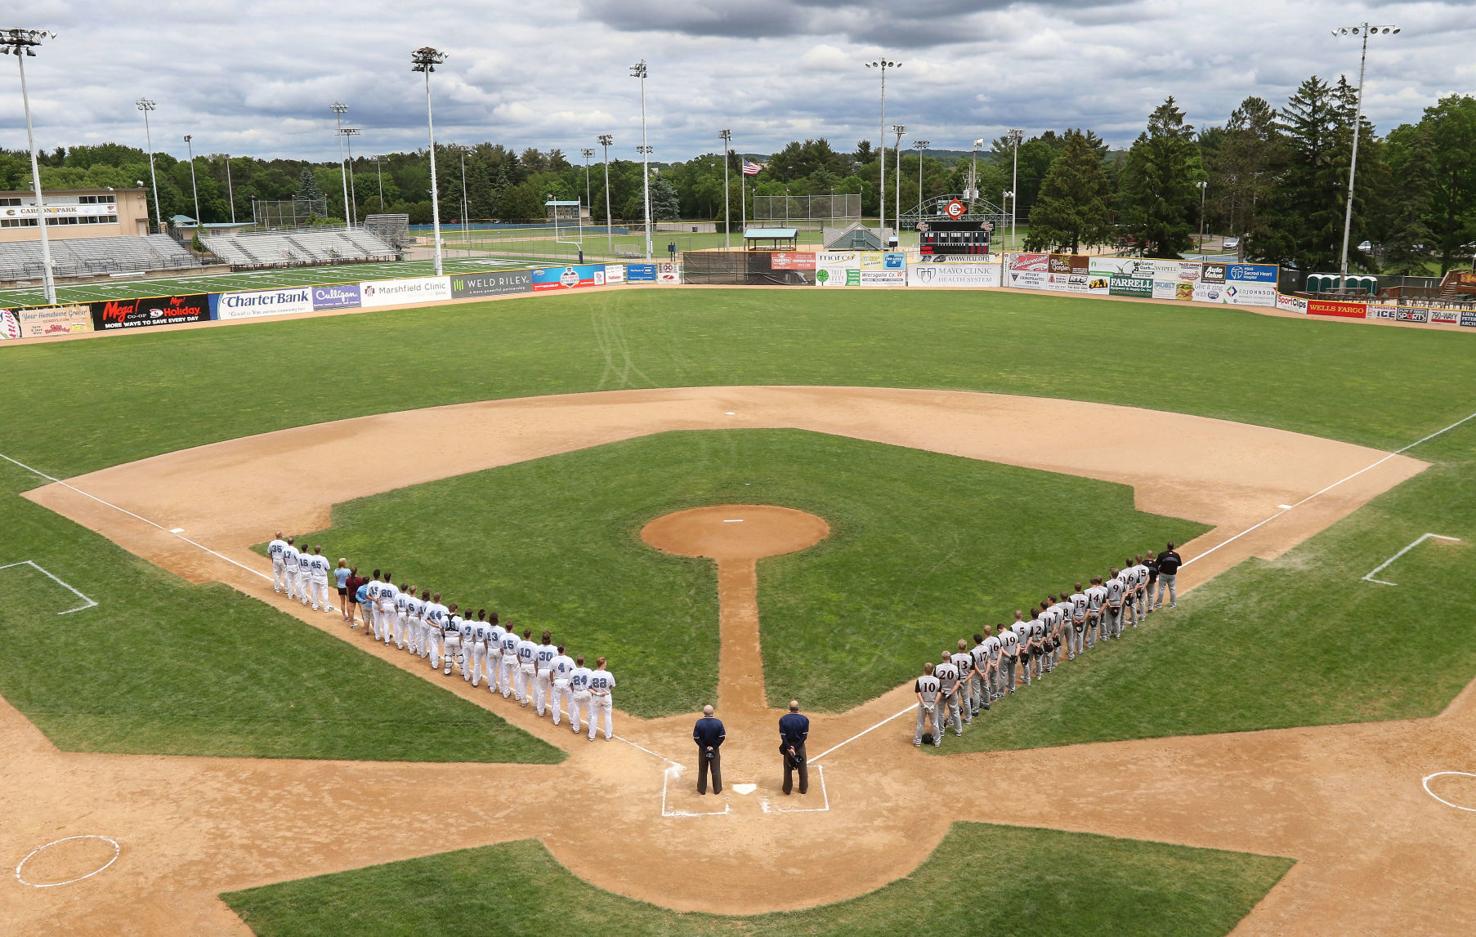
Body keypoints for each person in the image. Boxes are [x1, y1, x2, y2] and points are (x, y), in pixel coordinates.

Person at [693, 704, 725, 794]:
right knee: (716, 770)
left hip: (703, 751)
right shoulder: (718, 723)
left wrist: (704, 748)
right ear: (713, 712)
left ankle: (701, 789)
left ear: (704, 713)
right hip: (714, 750)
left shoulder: (699, 723)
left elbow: (696, 738)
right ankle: (717, 789)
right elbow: (722, 737)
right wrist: (713, 747)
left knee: (702, 770)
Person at [779, 700, 809, 795]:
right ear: (798, 708)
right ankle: (803, 788)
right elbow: (804, 737)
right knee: (802, 767)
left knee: (788, 768)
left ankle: (787, 789)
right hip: (799, 747)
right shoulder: (804, 720)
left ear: (789, 708)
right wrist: (795, 748)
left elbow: (783, 736)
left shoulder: (783, 720)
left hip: (788, 748)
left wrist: (789, 748)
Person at [587, 657, 616, 741]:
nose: (606, 664)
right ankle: (608, 736)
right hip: (606, 697)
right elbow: (612, 685)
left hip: (596, 697)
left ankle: (591, 736)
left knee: (594, 716)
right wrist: (607, 690)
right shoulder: (609, 674)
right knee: (607, 716)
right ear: (602, 664)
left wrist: (597, 693)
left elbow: (589, 688)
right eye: (605, 663)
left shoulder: (592, 674)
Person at [935, 651, 963, 740]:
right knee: (955, 711)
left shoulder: (937, 668)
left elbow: (935, 682)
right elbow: (958, 682)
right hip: (952, 693)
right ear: (950, 658)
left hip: (941, 693)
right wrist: (951, 692)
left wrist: (942, 691)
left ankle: (941, 732)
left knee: (940, 712)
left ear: (942, 658)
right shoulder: (955, 668)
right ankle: (958, 731)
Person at [913, 661, 941, 747]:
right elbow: (939, 694)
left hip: (923, 704)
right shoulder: (937, 680)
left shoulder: (919, 680)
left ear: (924, 670)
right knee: (935, 723)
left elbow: (918, 693)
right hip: (933, 704)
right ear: (932, 670)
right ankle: (937, 742)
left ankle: (917, 741)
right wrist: (933, 705)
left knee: (920, 723)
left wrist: (923, 704)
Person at [549, 644, 575, 725]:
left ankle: (556, 720)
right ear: (564, 650)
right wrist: (572, 683)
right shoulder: (569, 659)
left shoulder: (553, 660)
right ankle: (572, 720)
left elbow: (550, 672)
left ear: (558, 651)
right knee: (570, 701)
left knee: (556, 701)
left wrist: (552, 681)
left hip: (557, 681)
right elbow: (574, 672)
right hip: (567, 682)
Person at [951, 640, 975, 724]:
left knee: (954, 701)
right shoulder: (970, 658)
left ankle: (952, 720)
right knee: (966, 700)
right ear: (966, 647)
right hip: (965, 681)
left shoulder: (952, 657)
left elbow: (950, 671)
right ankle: (968, 718)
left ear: (958, 646)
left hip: (954, 682)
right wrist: (964, 680)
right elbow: (972, 671)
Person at [534, 631, 558, 716]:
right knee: (553, 692)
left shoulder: (537, 648)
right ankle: (554, 712)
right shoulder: (554, 649)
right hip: (550, 672)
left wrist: (537, 672)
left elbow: (535, 661)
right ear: (550, 639)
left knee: (541, 692)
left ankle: (540, 711)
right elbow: (556, 663)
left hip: (541, 671)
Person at [568, 655, 593, 734]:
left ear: (577, 662)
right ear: (583, 662)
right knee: (590, 710)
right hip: (587, 692)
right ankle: (591, 728)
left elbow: (570, 684)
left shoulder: (572, 672)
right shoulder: (589, 671)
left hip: (577, 692)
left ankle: (576, 728)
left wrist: (574, 691)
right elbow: (592, 683)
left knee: (576, 711)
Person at [1156, 542, 1183, 609]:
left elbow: (1157, 564)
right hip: (1172, 575)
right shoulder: (1176, 555)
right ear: (1173, 547)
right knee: (1172, 589)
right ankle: (1173, 604)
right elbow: (1180, 564)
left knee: (1161, 589)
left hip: (1163, 574)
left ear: (1167, 547)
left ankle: (1159, 604)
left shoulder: (1162, 555)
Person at [515, 629, 538, 705]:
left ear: (524, 636)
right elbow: (536, 659)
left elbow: (517, 655)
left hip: (523, 665)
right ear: (530, 635)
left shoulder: (519, 644)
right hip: (531, 666)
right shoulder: (534, 645)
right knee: (535, 685)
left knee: (523, 684)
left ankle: (523, 701)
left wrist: (520, 663)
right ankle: (536, 703)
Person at [499, 625, 521, 699]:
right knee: (517, 677)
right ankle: (518, 695)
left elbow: (501, 649)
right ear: (512, 628)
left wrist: (504, 656)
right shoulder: (516, 637)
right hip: (514, 657)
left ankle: (506, 693)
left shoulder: (502, 637)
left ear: (506, 628)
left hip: (506, 656)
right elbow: (520, 650)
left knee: (505, 676)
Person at [282, 537, 302, 603]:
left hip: (288, 566)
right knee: (297, 581)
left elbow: (283, 558)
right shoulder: (294, 550)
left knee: (289, 581)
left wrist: (286, 564)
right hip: (295, 566)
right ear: (293, 542)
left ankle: (290, 595)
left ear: (288, 542)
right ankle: (299, 595)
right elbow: (298, 559)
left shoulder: (284, 549)